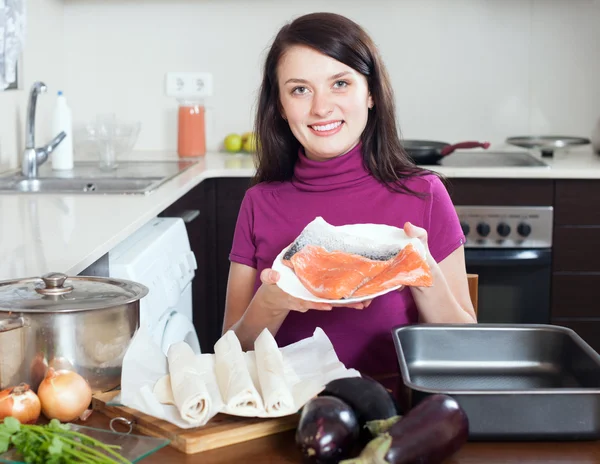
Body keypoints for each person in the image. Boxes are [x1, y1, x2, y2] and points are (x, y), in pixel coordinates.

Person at [222, 12, 476, 378]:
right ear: (279, 105)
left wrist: (422, 272)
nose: (321, 107)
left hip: (392, 413)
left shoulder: (424, 194)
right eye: (300, 89)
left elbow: (465, 348)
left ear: (370, 93)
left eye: (340, 83)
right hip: (283, 415)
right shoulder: (259, 203)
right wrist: (271, 303)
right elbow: (230, 354)